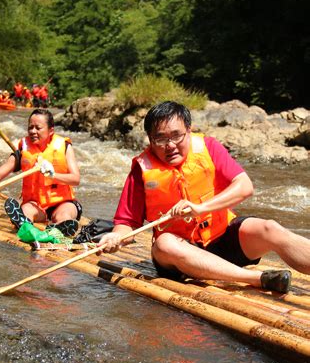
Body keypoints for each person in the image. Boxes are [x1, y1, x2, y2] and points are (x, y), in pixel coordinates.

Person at [99, 100, 310, 293]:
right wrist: (116, 237)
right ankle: (256, 278)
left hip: (221, 239)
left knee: (269, 228)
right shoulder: (141, 168)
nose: (170, 145)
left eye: (176, 135)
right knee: (164, 244)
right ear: (150, 140)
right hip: (181, 257)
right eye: (160, 139)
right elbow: (127, 222)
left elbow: (244, 187)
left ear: (189, 131)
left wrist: (201, 208)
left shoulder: (209, 148)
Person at [0, 108, 82, 239]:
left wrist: (53, 175)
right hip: (35, 204)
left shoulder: (64, 146)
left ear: (51, 130)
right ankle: (24, 225)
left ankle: (59, 229)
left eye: (38, 128)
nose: (33, 131)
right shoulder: (23, 149)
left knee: (64, 216)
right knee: (25, 212)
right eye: (30, 127)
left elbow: (76, 179)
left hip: (62, 203)